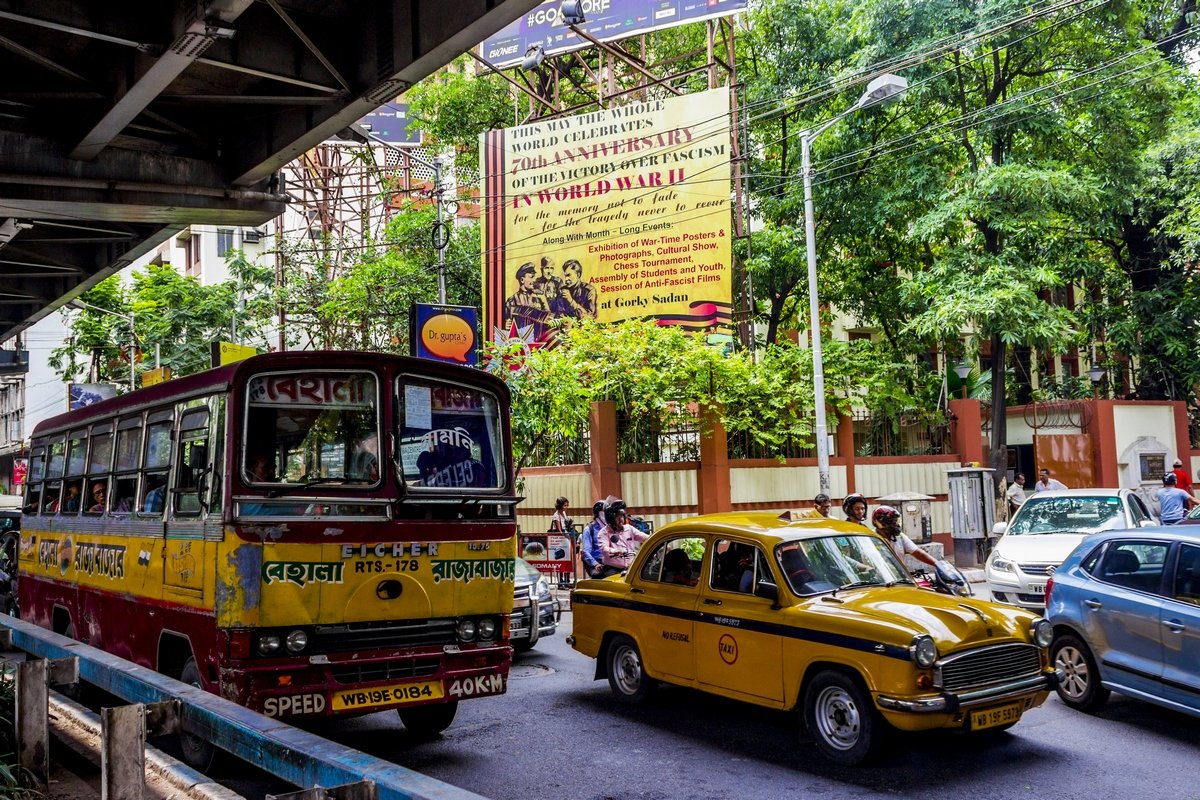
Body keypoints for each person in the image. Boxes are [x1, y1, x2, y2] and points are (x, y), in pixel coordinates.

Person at [872, 506, 938, 569]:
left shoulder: (899, 536)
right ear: (881, 523)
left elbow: (918, 552)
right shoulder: (871, 538)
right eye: (892, 522)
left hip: (900, 576)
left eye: (896, 521)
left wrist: (937, 564)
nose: (896, 525)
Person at [596, 497, 648, 576]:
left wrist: (656, 539)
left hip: (631, 567)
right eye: (617, 517)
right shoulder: (604, 533)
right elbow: (604, 548)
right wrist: (616, 551)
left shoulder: (629, 529)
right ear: (611, 518)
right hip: (613, 568)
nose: (621, 520)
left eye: (622, 516)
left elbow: (644, 537)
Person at [503, 262, 552, 336]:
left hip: (538, 339)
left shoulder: (539, 297)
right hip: (520, 341)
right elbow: (506, 321)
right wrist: (506, 324)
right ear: (522, 280)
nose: (534, 280)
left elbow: (549, 319)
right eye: (531, 277)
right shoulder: (512, 300)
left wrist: (544, 301)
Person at [579, 501, 606, 578]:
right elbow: (586, 552)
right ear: (597, 513)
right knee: (598, 575)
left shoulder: (610, 528)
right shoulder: (589, 529)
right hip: (597, 562)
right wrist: (595, 564)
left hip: (610, 562)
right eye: (604, 512)